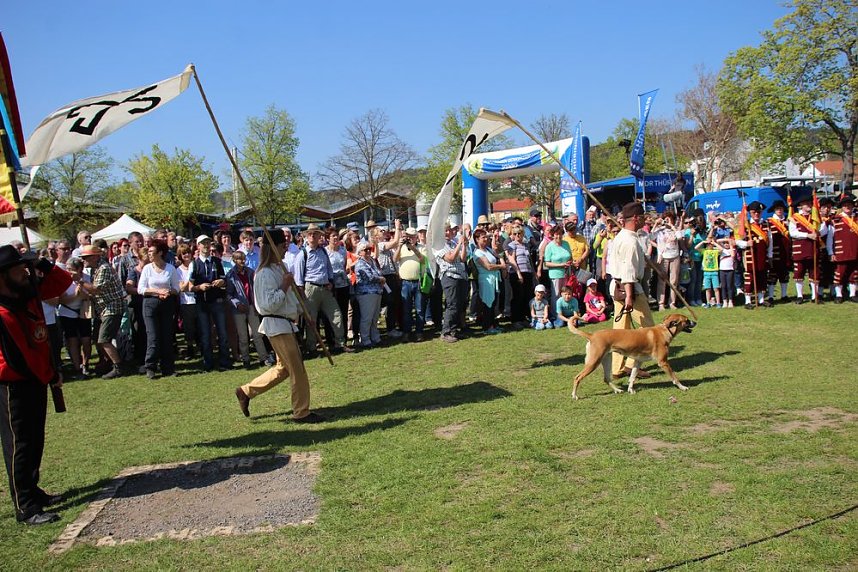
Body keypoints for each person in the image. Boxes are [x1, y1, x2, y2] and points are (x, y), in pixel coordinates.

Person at [0, 245, 72, 525]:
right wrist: (50, 375)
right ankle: (25, 506)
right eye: (19, 268)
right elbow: (20, 357)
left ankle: (34, 490)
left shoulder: (25, 291)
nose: (25, 272)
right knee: (19, 444)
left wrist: (41, 262)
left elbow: (62, 283)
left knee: (35, 438)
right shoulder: (3, 311)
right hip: (14, 384)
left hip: (35, 378)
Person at [234, 230, 324, 423]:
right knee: (297, 369)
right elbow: (268, 304)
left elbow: (290, 299)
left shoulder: (279, 269)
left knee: (283, 368)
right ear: (273, 248)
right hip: (276, 325)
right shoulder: (264, 273)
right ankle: (301, 412)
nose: (285, 249)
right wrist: (284, 285)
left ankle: (246, 391)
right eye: (283, 246)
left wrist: (303, 313)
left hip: (285, 324)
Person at [609, 202, 655, 380]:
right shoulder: (630, 241)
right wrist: (629, 296)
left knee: (620, 330)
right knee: (648, 328)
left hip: (617, 287)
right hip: (629, 289)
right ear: (636, 218)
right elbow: (628, 271)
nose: (645, 219)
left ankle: (617, 368)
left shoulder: (622, 237)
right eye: (642, 216)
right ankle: (630, 365)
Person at [293, 223, 353, 355]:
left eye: (315, 234)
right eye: (310, 234)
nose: (312, 236)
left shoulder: (323, 251)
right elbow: (298, 278)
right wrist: (302, 294)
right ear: (307, 237)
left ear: (319, 236)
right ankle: (312, 347)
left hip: (325, 288)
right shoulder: (302, 254)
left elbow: (329, 268)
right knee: (311, 320)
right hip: (310, 289)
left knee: (336, 315)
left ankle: (340, 343)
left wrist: (330, 281)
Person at [79, 245, 126, 379]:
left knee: (104, 339)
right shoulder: (97, 269)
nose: (83, 260)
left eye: (85, 257)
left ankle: (118, 367)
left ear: (95, 257)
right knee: (98, 339)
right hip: (105, 309)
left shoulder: (104, 268)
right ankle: (108, 363)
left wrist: (79, 280)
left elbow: (96, 289)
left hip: (112, 308)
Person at [137, 240, 181, 378]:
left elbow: (176, 288)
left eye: (152, 251)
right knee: (153, 336)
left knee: (167, 336)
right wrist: (157, 292)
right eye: (149, 251)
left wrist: (168, 291)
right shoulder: (147, 269)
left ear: (160, 253)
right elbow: (141, 289)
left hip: (167, 304)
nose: (149, 254)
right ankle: (150, 367)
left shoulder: (170, 269)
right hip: (150, 304)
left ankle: (168, 368)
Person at [189, 234, 232, 371]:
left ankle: (225, 362)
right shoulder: (194, 264)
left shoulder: (217, 261)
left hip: (217, 301)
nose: (206, 246)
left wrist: (221, 282)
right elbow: (190, 286)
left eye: (208, 243)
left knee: (222, 333)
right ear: (198, 246)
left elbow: (224, 280)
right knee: (205, 334)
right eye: (203, 243)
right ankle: (208, 363)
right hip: (202, 302)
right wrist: (199, 287)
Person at [226, 250, 269, 368]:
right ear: (234, 261)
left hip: (251, 306)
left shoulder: (250, 272)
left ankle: (263, 357)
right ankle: (246, 358)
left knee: (257, 334)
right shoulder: (230, 275)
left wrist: (256, 304)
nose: (242, 261)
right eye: (240, 259)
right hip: (239, 308)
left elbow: (255, 289)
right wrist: (237, 304)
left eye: (244, 258)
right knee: (243, 336)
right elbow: (229, 294)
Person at [57, 257, 92, 379]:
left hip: (83, 312)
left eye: (71, 269)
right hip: (67, 312)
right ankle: (77, 368)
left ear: (79, 269)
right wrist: (75, 295)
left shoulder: (86, 278)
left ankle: (85, 364)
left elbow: (90, 294)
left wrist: (81, 286)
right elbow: (61, 300)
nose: (68, 272)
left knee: (86, 340)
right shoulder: (63, 279)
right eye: (67, 269)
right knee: (73, 341)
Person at [435, 222, 470, 343]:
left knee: (459, 304)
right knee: (452, 304)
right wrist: (459, 244)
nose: (448, 232)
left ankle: (454, 330)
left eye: (449, 230)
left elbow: (463, 258)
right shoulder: (438, 245)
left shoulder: (453, 243)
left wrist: (464, 245)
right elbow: (450, 258)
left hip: (460, 276)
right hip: (449, 276)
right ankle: (446, 332)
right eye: (445, 230)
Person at [789, 196, 828, 304]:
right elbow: (793, 233)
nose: (809, 205)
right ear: (801, 205)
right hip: (800, 249)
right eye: (806, 203)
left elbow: (824, 230)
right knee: (799, 273)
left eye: (810, 203)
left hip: (813, 249)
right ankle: (800, 296)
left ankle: (814, 296)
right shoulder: (794, 218)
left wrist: (818, 233)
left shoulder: (816, 217)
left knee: (814, 273)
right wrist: (807, 235)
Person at [735, 202, 773, 309]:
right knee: (750, 278)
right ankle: (748, 301)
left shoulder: (766, 224)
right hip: (750, 255)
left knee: (762, 276)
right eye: (754, 212)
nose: (756, 214)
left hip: (762, 254)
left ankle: (761, 300)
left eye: (758, 212)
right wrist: (747, 244)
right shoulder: (746, 225)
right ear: (750, 213)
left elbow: (770, 241)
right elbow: (737, 241)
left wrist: (770, 254)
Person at [393, 227, 426, 341]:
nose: (410, 238)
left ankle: (419, 332)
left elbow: (423, 260)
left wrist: (413, 248)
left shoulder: (422, 247)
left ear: (416, 237)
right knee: (406, 309)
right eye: (408, 236)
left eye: (412, 236)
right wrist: (399, 246)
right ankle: (407, 332)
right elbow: (395, 259)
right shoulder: (402, 247)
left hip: (418, 281)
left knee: (419, 309)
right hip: (405, 282)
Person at [472, 228, 504, 334]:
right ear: (477, 239)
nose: (486, 239)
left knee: (493, 303)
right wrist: (501, 266)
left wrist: (495, 239)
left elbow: (498, 253)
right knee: (487, 303)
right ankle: (487, 326)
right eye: (483, 237)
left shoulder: (488, 250)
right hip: (486, 280)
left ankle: (493, 324)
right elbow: (488, 266)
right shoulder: (477, 253)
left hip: (494, 279)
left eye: (486, 237)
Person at [826, 194, 858, 303]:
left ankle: (853, 294)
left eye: (849, 204)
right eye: (845, 205)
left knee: (854, 273)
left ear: (853, 206)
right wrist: (831, 252)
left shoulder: (856, 219)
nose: (847, 207)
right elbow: (830, 238)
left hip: (855, 251)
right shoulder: (835, 219)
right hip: (841, 251)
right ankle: (839, 295)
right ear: (842, 207)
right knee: (839, 273)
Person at [354, 240, 385, 348]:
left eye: (369, 249)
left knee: (375, 317)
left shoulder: (372, 261)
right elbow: (370, 277)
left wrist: (380, 278)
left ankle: (375, 337)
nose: (368, 251)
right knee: (367, 318)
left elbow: (378, 272)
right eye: (365, 250)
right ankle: (365, 339)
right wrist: (381, 279)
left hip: (377, 292)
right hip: (366, 294)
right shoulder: (360, 263)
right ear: (360, 252)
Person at [651, 212, 682, 310]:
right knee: (662, 280)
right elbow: (651, 237)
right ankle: (661, 303)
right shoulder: (660, 230)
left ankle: (672, 302)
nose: (667, 220)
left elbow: (680, 237)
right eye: (666, 218)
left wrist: (672, 227)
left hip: (675, 256)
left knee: (674, 280)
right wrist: (656, 224)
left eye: (669, 218)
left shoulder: (675, 229)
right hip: (663, 256)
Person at [506, 226, 535, 329]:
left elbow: (529, 260)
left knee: (526, 295)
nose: (517, 235)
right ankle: (516, 319)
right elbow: (512, 260)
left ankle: (524, 318)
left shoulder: (525, 245)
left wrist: (533, 272)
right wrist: (518, 273)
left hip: (527, 272)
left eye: (519, 233)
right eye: (515, 234)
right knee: (517, 296)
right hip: (516, 273)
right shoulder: (511, 245)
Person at [176, 244, 199, 359]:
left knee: (200, 326)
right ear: (180, 256)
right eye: (184, 253)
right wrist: (190, 278)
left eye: (188, 252)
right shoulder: (178, 270)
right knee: (189, 327)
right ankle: (190, 348)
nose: (187, 255)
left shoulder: (196, 265)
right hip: (186, 302)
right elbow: (182, 288)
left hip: (198, 300)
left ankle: (201, 347)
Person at [766, 200, 792, 302]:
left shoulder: (788, 221)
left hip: (785, 252)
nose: (779, 210)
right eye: (777, 209)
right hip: (774, 251)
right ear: (774, 210)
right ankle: (771, 296)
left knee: (784, 274)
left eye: (781, 208)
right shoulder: (770, 222)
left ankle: (784, 295)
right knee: (773, 274)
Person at [696, 237, 722, 308]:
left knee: (716, 288)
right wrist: (703, 242)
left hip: (714, 272)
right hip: (706, 272)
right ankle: (708, 302)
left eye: (710, 244)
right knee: (707, 289)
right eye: (708, 244)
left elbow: (721, 249)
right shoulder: (704, 251)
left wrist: (714, 243)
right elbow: (696, 248)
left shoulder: (715, 251)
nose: (709, 245)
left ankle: (718, 303)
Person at [718, 237, 737, 308]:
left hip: (730, 270)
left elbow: (732, 255)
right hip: (722, 270)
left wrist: (730, 243)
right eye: (725, 243)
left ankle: (730, 301)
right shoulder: (722, 249)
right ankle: (724, 301)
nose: (726, 244)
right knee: (723, 286)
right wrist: (726, 239)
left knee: (729, 286)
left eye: (727, 243)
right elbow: (717, 241)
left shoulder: (733, 249)